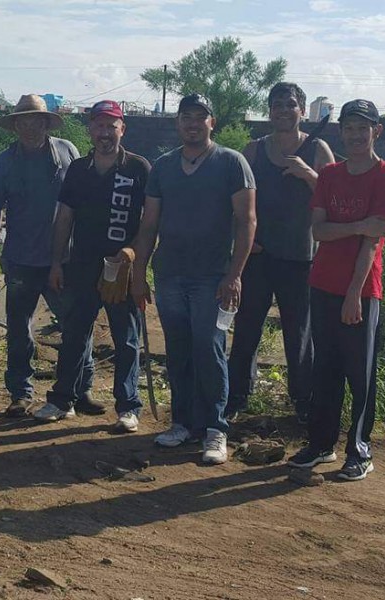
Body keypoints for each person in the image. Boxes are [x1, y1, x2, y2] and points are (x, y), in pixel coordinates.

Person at [133, 94, 256, 464]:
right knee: (179, 351)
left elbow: (247, 221)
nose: (192, 123)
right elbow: (149, 223)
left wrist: (234, 275)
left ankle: (215, 429)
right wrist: (139, 273)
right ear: (177, 123)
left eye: (199, 117)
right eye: (186, 117)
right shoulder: (163, 167)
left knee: (209, 348)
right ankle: (183, 423)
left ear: (211, 122)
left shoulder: (232, 163)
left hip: (212, 277)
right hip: (170, 274)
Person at [288, 99, 385, 481]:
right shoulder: (332, 175)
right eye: (349, 128)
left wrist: (354, 292)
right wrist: (358, 224)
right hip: (322, 284)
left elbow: (375, 240)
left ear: (376, 131)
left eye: (362, 128)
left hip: (361, 291)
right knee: (326, 368)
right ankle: (322, 444)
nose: (355, 135)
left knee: (360, 373)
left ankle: (360, 450)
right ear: (341, 132)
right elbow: (319, 231)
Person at [0, 94, 101, 417]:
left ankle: (80, 388)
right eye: (24, 121)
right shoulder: (4, 162)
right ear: (15, 125)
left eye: (36, 120)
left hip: (64, 259)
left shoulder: (67, 152)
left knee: (76, 326)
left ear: (46, 123)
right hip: (20, 260)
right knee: (19, 330)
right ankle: (20, 392)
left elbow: (83, 201)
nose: (30, 126)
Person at [33, 100, 150, 433]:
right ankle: (61, 400)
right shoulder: (79, 169)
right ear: (90, 129)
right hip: (82, 266)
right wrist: (57, 261)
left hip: (120, 269)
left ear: (122, 129)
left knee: (126, 340)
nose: (104, 132)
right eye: (99, 125)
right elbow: (64, 218)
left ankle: (128, 407)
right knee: (74, 334)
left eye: (111, 126)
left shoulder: (138, 169)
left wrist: (134, 256)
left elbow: (151, 220)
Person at [227, 82, 334, 424]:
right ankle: (237, 395)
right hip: (258, 256)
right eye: (277, 104)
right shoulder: (254, 150)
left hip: (301, 259)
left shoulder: (318, 150)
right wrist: (242, 241)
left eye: (290, 104)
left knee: (299, 333)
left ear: (302, 110)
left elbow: (334, 198)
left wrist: (310, 176)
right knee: (246, 327)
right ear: (269, 110)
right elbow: (235, 201)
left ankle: (303, 401)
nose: (284, 110)